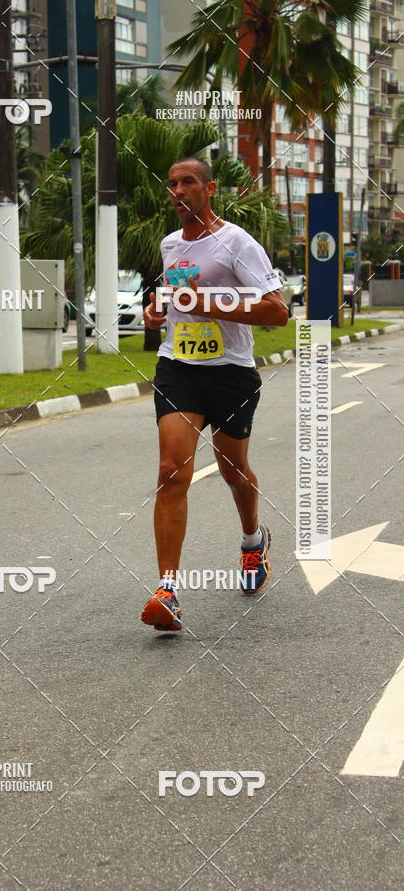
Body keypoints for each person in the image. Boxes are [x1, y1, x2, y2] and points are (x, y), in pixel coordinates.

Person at [141, 157, 288, 632]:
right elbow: (175, 293)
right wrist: (157, 309)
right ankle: (168, 591)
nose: (178, 190)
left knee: (232, 469)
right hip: (178, 367)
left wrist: (206, 304)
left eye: (188, 182)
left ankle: (252, 542)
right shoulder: (170, 244)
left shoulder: (237, 242)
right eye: (172, 183)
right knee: (171, 470)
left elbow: (276, 312)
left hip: (230, 373)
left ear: (210, 188)